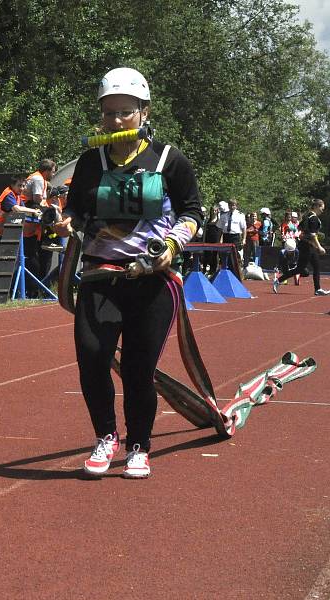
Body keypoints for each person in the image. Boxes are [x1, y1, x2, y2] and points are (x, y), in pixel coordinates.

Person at [53, 67, 203, 479]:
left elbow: (193, 211)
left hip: (150, 282)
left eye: (125, 112)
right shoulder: (91, 161)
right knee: (93, 359)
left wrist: (172, 246)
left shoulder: (169, 160)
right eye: (109, 113)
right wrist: (70, 221)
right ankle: (105, 436)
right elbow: (78, 210)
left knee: (139, 370)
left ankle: (139, 445)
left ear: (144, 112)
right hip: (100, 278)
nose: (116, 121)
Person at [0, 174, 42, 299]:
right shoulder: (8, 194)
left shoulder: (18, 196)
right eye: (19, 185)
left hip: (5, 233)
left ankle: (3, 291)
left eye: (23, 186)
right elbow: (16, 209)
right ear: (12, 185)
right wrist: (33, 211)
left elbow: (23, 209)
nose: (21, 188)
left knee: (4, 262)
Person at [272, 198, 330, 296]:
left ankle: (318, 289)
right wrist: (319, 247)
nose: (322, 211)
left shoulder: (307, 215)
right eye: (322, 208)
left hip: (306, 244)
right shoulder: (314, 218)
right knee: (301, 268)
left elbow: (299, 227)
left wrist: (303, 235)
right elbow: (313, 235)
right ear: (316, 206)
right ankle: (278, 280)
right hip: (307, 246)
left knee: (315, 266)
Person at [21, 159, 57, 296]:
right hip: (28, 206)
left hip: (29, 208)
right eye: (53, 172)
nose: (54, 174)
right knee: (50, 213)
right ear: (47, 171)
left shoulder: (38, 178)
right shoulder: (38, 179)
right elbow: (37, 199)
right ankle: (50, 237)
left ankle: (48, 237)